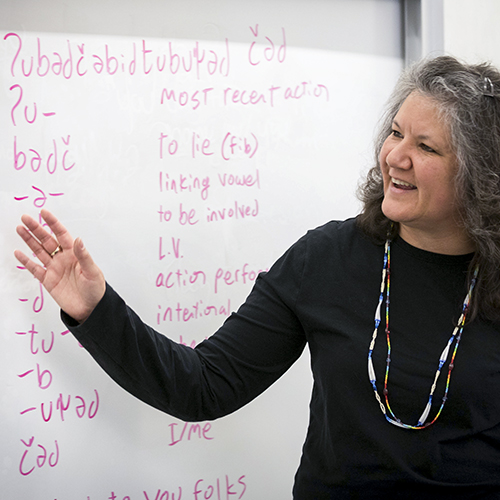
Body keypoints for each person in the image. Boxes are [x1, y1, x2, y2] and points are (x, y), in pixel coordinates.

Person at [14, 56, 500, 498]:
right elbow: (202, 386)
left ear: (479, 174)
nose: (395, 156)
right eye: (395, 133)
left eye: (426, 147)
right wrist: (94, 308)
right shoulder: (326, 259)